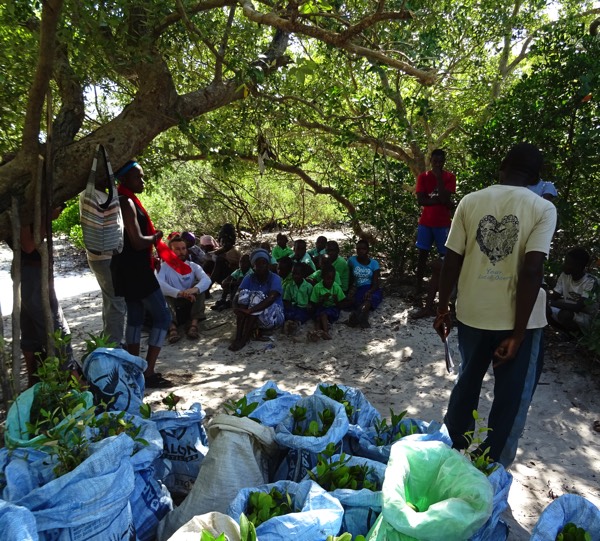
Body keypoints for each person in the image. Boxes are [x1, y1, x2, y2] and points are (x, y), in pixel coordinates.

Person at [433, 142, 557, 468]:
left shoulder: (470, 201)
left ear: (502, 167)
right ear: (536, 178)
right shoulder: (542, 208)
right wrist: (516, 335)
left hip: (472, 314)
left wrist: (443, 307)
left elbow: (451, 260)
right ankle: (492, 466)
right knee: (510, 399)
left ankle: (453, 450)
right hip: (520, 324)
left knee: (467, 383)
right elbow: (532, 270)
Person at [111, 160, 172, 388]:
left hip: (125, 269)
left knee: (135, 318)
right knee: (163, 317)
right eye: (138, 177)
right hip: (136, 270)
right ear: (124, 179)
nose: (142, 181)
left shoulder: (122, 199)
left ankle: (134, 368)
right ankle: (148, 371)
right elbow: (136, 242)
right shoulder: (126, 202)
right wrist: (155, 238)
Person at [18, 208, 76, 388]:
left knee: (30, 326)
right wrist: (47, 216)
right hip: (32, 273)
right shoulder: (24, 207)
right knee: (55, 327)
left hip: (30, 272)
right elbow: (28, 245)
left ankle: (34, 381)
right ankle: (73, 381)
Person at [79, 177, 126, 345]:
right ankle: (114, 344)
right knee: (116, 302)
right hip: (105, 257)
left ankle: (109, 339)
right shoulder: (94, 195)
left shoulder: (92, 194)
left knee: (111, 300)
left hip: (100, 256)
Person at [414, 149, 456, 299]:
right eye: (435, 161)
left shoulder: (450, 177)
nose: (437, 164)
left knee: (445, 257)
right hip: (426, 223)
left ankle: (444, 290)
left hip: (443, 224)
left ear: (444, 161)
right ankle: (418, 287)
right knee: (422, 255)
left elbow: (445, 198)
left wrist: (439, 180)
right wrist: (442, 201)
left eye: (440, 161)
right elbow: (421, 200)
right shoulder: (423, 177)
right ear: (430, 160)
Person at [157, 234, 211, 343]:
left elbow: (207, 280)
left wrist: (193, 290)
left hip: (190, 301)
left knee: (200, 290)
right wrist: (180, 293)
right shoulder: (163, 267)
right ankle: (172, 328)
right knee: (162, 296)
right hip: (173, 303)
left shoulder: (193, 266)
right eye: (177, 249)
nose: (181, 252)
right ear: (170, 251)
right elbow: (159, 284)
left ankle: (194, 325)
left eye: (183, 248)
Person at [229, 248, 285, 351]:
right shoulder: (249, 278)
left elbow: (271, 299)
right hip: (251, 315)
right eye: (258, 264)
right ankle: (238, 336)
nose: (261, 266)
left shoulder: (275, 278)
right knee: (243, 292)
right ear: (253, 266)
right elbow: (237, 294)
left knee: (258, 296)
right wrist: (236, 308)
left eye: (264, 263)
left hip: (273, 316)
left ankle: (244, 339)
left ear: (268, 265)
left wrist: (249, 311)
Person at [547, 248, 598, 335]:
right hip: (570, 311)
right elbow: (555, 295)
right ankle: (566, 332)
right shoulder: (565, 276)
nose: (564, 265)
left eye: (568, 263)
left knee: (565, 314)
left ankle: (577, 334)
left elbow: (577, 307)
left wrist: (549, 302)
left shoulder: (591, 282)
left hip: (586, 317)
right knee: (545, 309)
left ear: (578, 265)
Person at [345, 239, 383, 328]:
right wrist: (347, 291)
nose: (361, 251)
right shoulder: (351, 260)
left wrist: (370, 291)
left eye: (364, 249)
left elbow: (376, 282)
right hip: (360, 287)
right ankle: (362, 318)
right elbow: (349, 277)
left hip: (372, 287)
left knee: (372, 297)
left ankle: (357, 317)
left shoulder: (374, 263)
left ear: (368, 250)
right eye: (358, 249)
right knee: (361, 299)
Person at [308, 266, 345, 340]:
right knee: (318, 318)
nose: (330, 281)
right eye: (328, 278)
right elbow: (314, 304)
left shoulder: (336, 287)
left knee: (324, 315)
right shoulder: (317, 287)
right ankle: (317, 333)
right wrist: (322, 300)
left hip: (333, 309)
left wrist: (336, 300)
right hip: (321, 307)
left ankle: (326, 332)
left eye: (332, 279)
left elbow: (341, 305)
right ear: (322, 277)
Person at [283, 262, 313, 335]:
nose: (295, 276)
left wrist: (310, 305)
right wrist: (288, 306)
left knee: (301, 315)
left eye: (298, 274)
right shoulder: (289, 286)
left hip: (303, 308)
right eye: (293, 273)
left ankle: (295, 324)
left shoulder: (308, 286)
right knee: (286, 313)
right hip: (293, 307)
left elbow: (312, 300)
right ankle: (289, 322)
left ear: (303, 274)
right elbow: (286, 300)